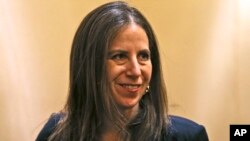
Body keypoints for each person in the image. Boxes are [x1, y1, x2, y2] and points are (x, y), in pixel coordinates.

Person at [36, 1, 209, 141]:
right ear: (91, 66)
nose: (135, 71)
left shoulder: (188, 136)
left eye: (143, 56)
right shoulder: (55, 134)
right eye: (120, 56)